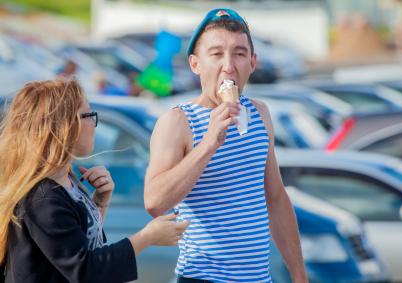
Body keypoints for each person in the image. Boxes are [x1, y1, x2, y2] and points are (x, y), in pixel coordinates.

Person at [144, 8, 307, 283]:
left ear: (252, 63)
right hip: (202, 276)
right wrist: (209, 143)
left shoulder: (260, 113)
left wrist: (299, 275)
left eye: (239, 54)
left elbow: (276, 198)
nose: (229, 66)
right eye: (217, 54)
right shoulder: (177, 121)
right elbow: (155, 202)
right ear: (196, 64)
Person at [0, 79, 189, 283]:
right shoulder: (43, 198)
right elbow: (86, 270)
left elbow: (84, 242)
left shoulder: (65, 179)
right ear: (63, 126)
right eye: (88, 115)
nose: (94, 123)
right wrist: (147, 237)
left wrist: (100, 201)